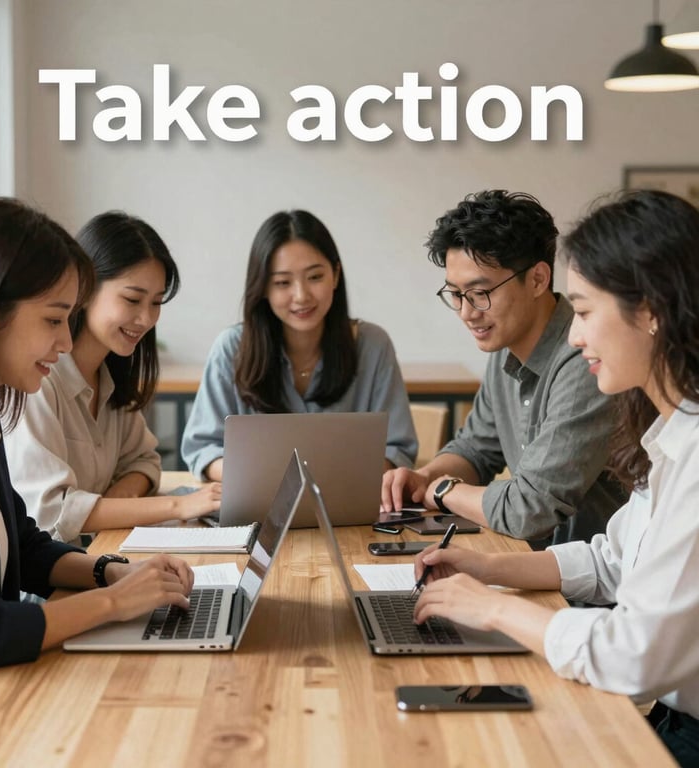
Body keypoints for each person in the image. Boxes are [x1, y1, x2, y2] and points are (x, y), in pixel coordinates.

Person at [412, 189, 699, 767]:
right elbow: (613, 561)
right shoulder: (669, 432)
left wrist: (495, 609)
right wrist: (488, 569)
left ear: (651, 312)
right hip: (667, 711)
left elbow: (632, 657)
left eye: (587, 311)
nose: (575, 334)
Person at [0, 198, 194, 736]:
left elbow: (24, 545)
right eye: (54, 319)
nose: (67, 342)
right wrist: (114, 602)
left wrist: (113, 571)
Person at [381, 190, 624, 547]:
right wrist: (425, 477)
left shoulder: (584, 358)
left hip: (588, 585)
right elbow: (475, 450)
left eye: (480, 293)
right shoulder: (505, 344)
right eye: (455, 294)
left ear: (538, 279)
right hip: (533, 565)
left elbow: (530, 509)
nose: (467, 312)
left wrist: (444, 489)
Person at [5, 212, 220, 544]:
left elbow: (144, 461)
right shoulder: (40, 382)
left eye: (156, 302)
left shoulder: (111, 376)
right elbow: (52, 513)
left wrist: (113, 503)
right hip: (49, 582)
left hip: (101, 556)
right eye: (132, 299)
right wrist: (177, 505)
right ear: (85, 287)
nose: (146, 318)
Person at [181, 209, 417, 480]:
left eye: (315, 277)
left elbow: (397, 451)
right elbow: (203, 449)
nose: (301, 296)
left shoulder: (373, 345)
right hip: (257, 508)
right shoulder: (232, 348)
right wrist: (257, 477)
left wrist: (334, 481)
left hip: (348, 512)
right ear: (263, 288)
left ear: (336, 275)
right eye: (282, 282)